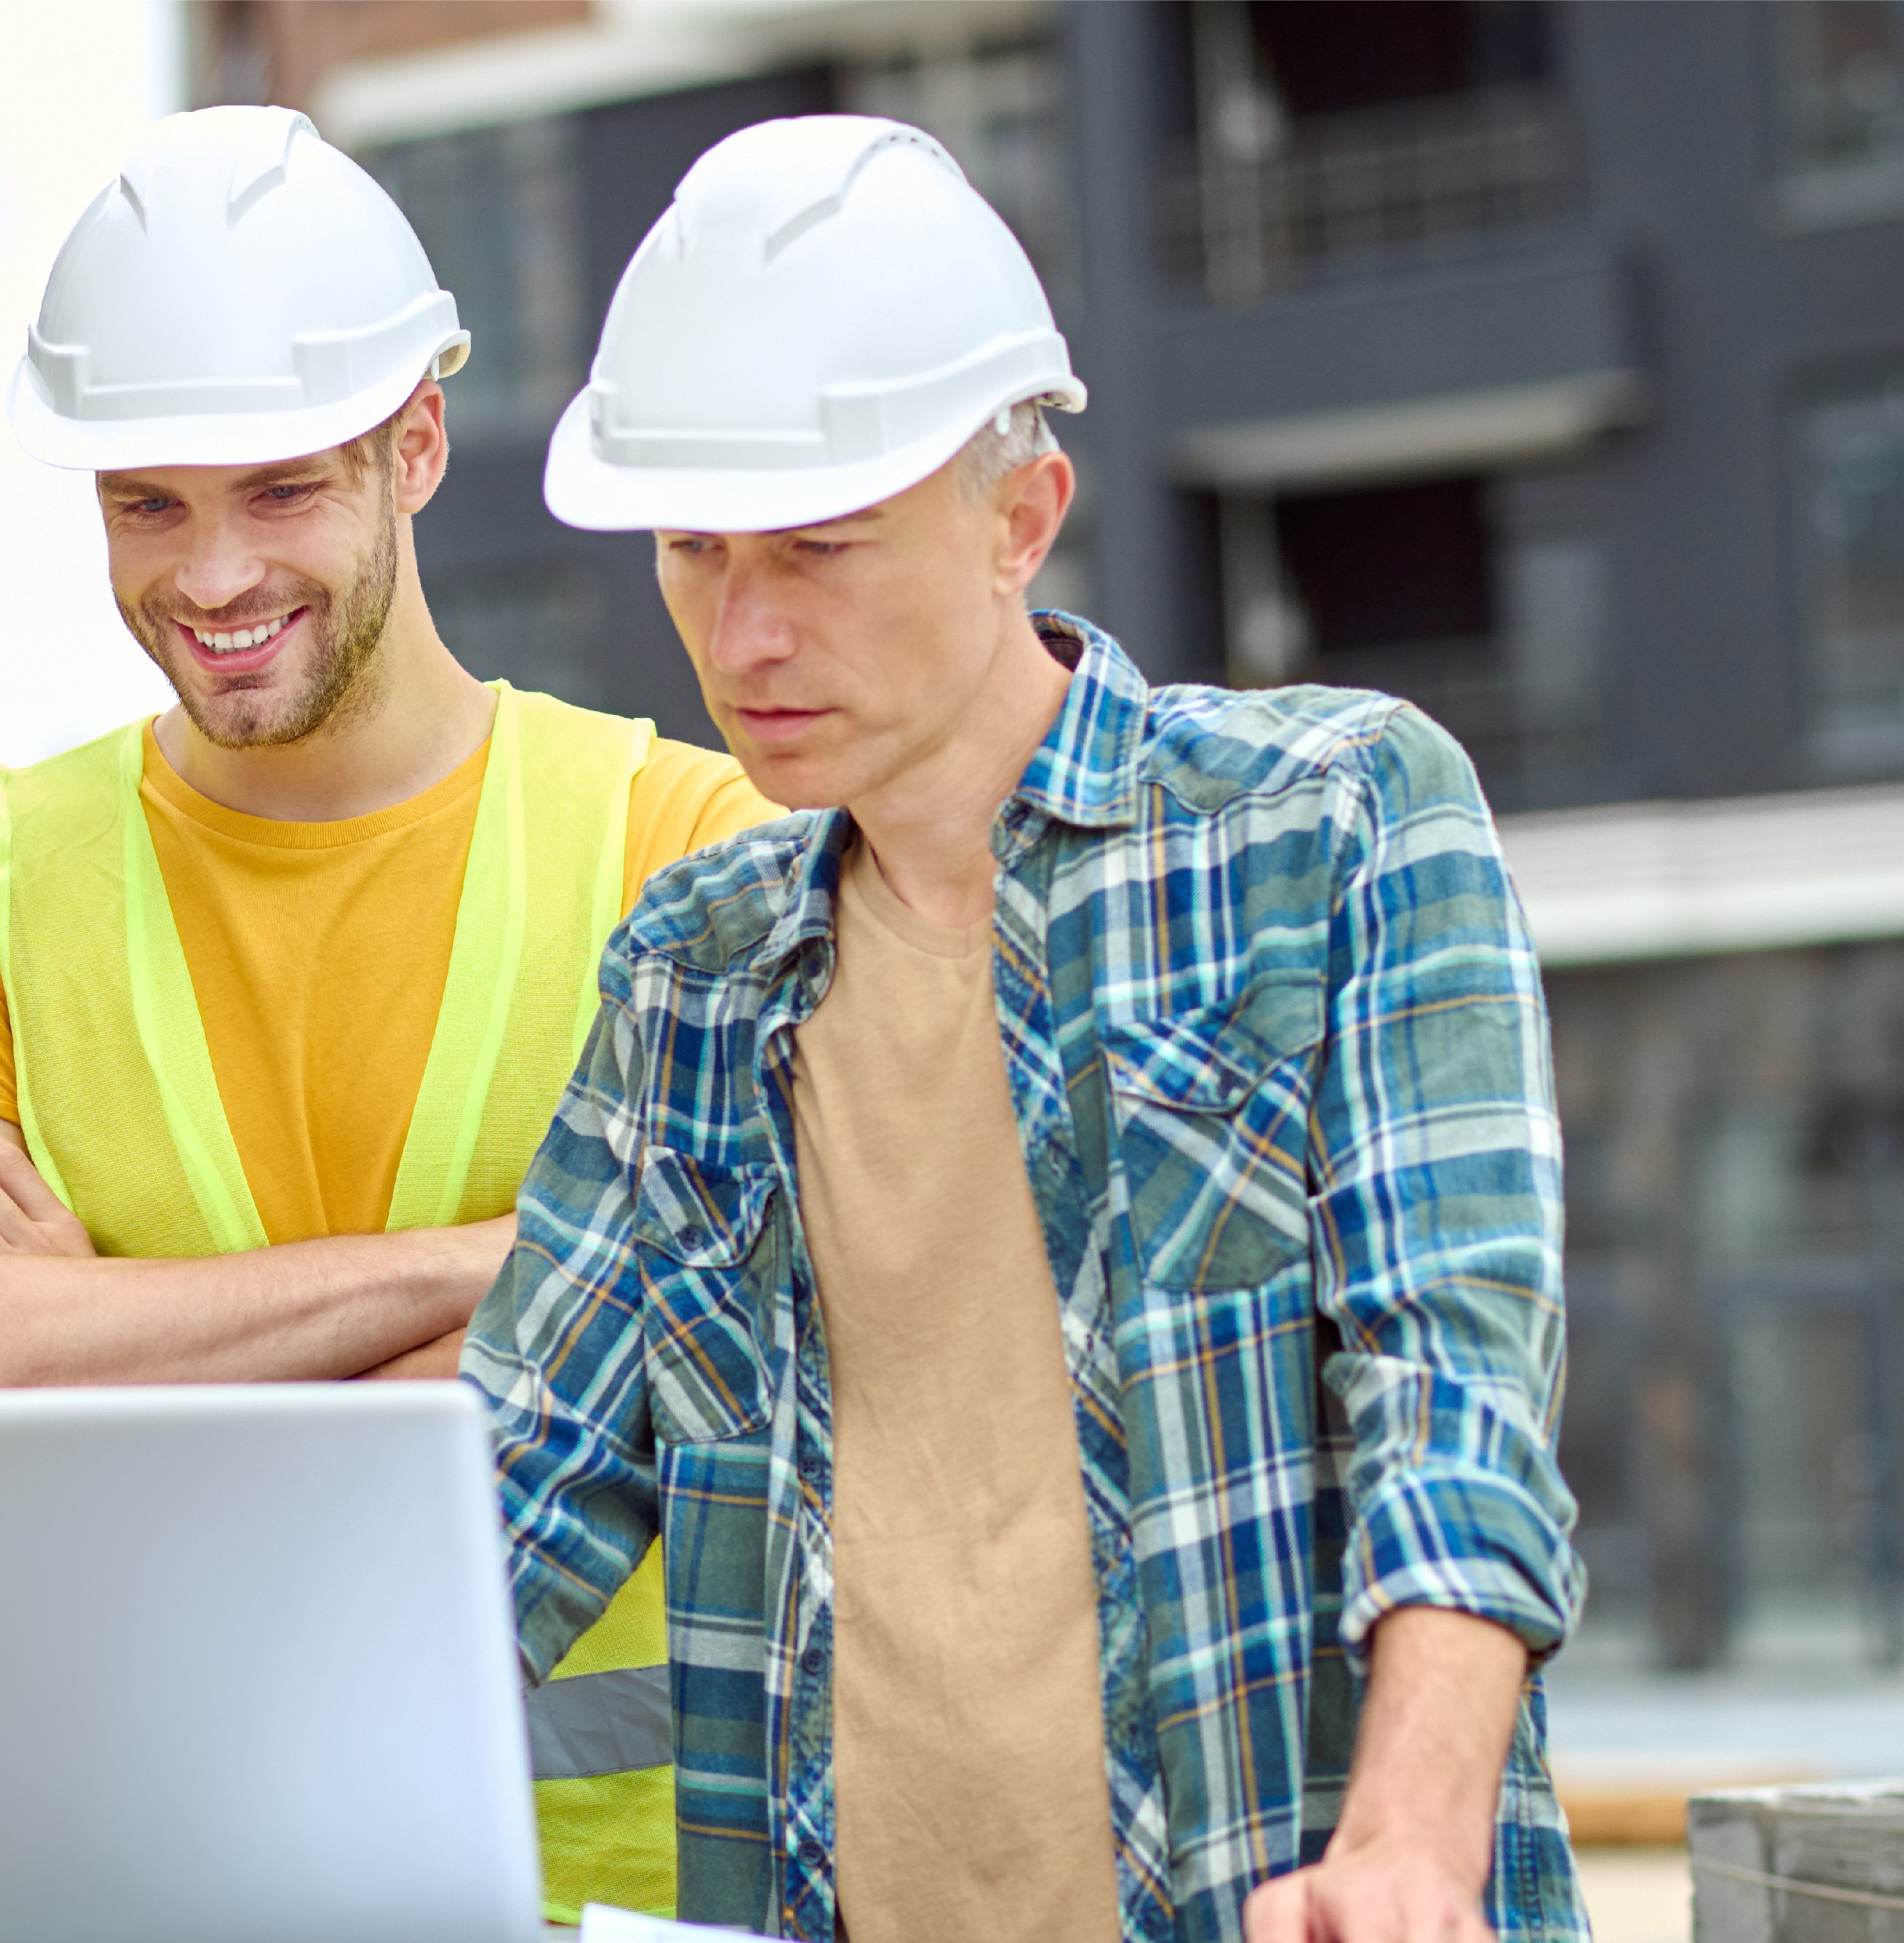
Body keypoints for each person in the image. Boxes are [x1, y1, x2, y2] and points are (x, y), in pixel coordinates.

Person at [466, 116, 1587, 1943]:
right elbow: (503, 1502)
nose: (742, 630)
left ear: (1021, 518)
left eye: (819, 545)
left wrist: (1406, 1846)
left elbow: (1452, 1389)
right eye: (689, 548)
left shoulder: (1335, 819)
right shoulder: (687, 978)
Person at [0, 105, 772, 1929]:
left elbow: (737, 1323)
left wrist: (80, 1338)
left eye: (279, 491)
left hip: (618, 1897)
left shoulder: (691, 846)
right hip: (151, 1877)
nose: (212, 577)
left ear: (415, 447)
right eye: (146, 503)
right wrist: (508, 1264)